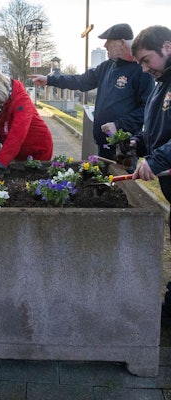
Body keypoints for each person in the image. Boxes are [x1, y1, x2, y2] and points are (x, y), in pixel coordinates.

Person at [32, 23, 154, 160]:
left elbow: (147, 110)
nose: (105, 45)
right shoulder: (107, 66)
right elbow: (81, 81)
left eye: (109, 41)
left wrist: (119, 125)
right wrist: (49, 79)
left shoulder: (142, 70)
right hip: (102, 144)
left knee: (121, 181)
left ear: (122, 43)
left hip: (124, 148)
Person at [129, 26, 171, 315]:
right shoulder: (161, 83)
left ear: (166, 47)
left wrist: (155, 161)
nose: (144, 69)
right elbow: (155, 126)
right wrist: (139, 142)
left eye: (146, 60)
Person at [0, 66, 53, 176]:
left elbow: (17, 134)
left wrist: (0, 163)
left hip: (38, 150)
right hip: (17, 152)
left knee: (31, 181)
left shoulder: (21, 99)